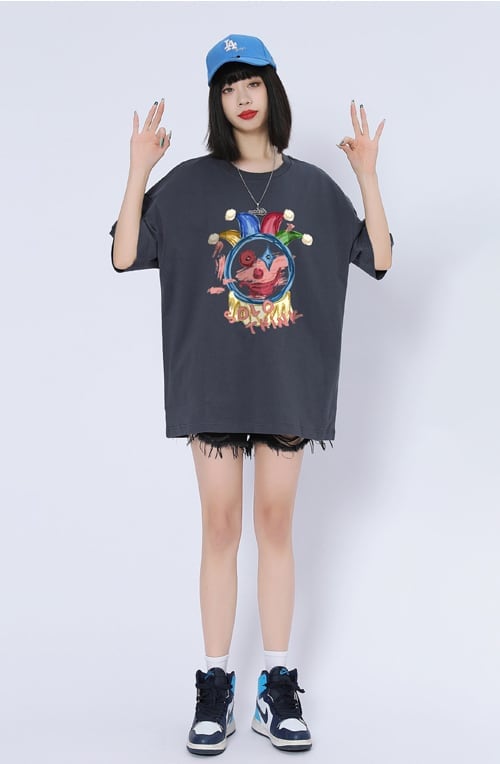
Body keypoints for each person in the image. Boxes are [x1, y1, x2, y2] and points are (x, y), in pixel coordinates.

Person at [109, 33, 392, 756]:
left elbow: (379, 258)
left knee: (274, 523)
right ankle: (214, 685)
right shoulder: (189, 183)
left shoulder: (311, 187)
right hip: (212, 382)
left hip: (287, 384)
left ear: (272, 90)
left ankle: (277, 685)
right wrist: (139, 169)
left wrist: (367, 176)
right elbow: (123, 253)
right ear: (217, 100)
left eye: (253, 82)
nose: (242, 96)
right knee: (221, 525)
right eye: (229, 86)